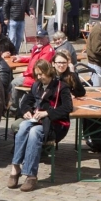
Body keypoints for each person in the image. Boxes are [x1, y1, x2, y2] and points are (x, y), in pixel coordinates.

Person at [8, 60, 72, 190]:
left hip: (56, 125)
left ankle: (31, 175)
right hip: (37, 121)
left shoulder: (61, 87)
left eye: (41, 74)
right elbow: (26, 102)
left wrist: (47, 113)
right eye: (36, 74)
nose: (38, 77)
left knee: (34, 132)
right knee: (23, 127)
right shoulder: (36, 85)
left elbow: (67, 107)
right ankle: (15, 167)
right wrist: (26, 111)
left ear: (48, 72)